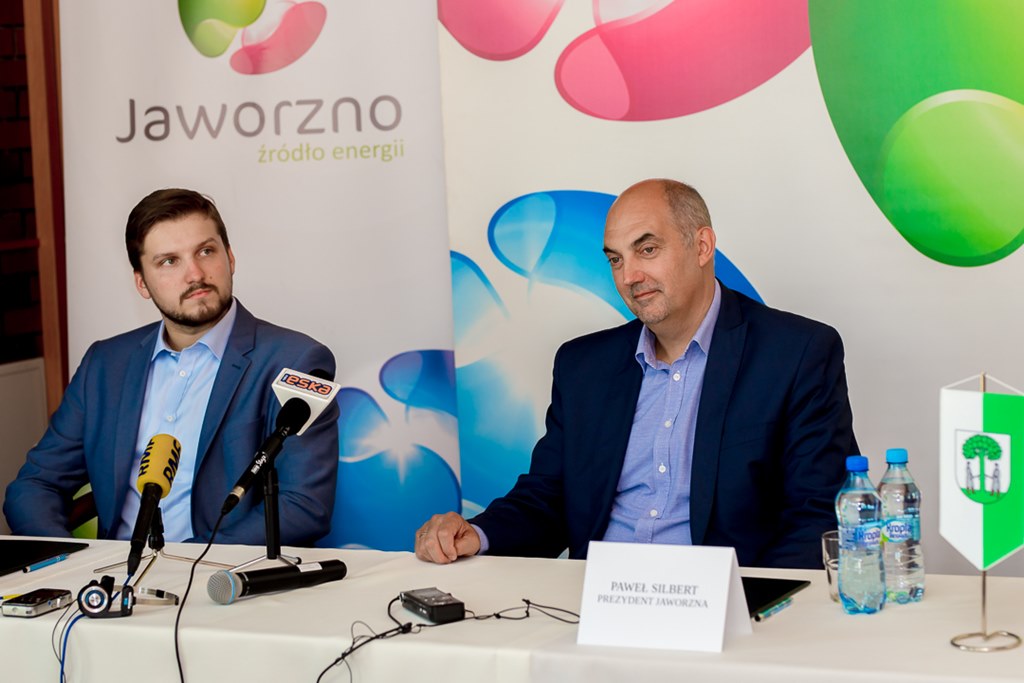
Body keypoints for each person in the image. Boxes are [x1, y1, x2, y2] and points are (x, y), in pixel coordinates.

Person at [415, 178, 857, 569]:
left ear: (702, 246)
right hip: (596, 606)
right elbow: (549, 498)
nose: (629, 276)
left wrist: (744, 610)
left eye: (647, 250)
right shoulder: (583, 366)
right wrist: (477, 534)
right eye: (615, 259)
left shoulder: (796, 353)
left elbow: (818, 513)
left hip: (724, 611)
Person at [4, 188, 339, 546]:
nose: (195, 274)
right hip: (111, 570)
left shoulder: (296, 361)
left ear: (230, 258)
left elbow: (303, 506)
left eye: (206, 251)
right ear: (141, 283)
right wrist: (72, 562)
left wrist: (185, 565)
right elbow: (35, 485)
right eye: (169, 261)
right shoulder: (105, 364)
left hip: (219, 573)